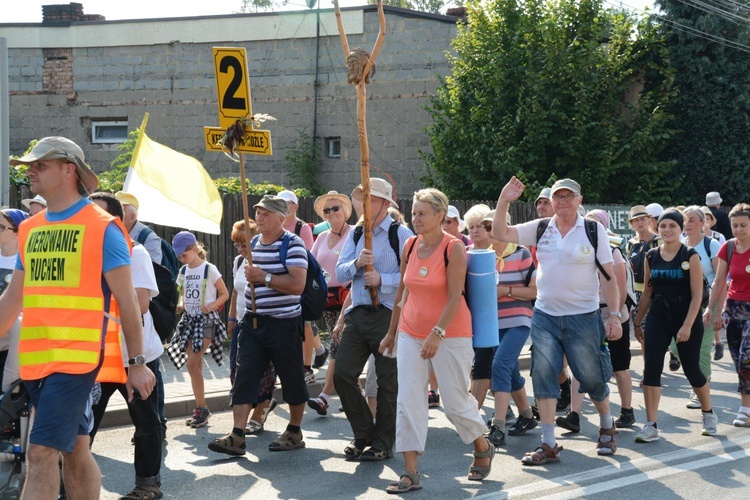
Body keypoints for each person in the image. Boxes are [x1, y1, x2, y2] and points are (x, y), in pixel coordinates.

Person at [0, 136, 155, 499]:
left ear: (69, 170)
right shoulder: (29, 229)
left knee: (39, 454)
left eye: (41, 165)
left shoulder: (102, 227)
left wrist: (137, 363)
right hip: (37, 363)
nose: (32, 171)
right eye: (31, 166)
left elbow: (128, 301)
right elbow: (13, 298)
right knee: (76, 449)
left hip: (76, 364)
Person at [492, 177, 621, 464]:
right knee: (543, 376)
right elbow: (499, 232)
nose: (562, 202)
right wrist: (503, 200)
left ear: (579, 200)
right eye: (557, 197)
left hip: (583, 317)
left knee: (591, 377)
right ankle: (548, 443)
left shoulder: (592, 229)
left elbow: (608, 278)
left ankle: (606, 424)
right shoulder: (541, 228)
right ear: (551, 202)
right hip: (545, 316)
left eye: (568, 196)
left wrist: (614, 315)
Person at [379, 188, 493, 493]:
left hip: (450, 334)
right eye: (414, 213)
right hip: (410, 332)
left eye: (422, 213)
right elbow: (402, 294)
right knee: (408, 400)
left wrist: (437, 333)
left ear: (440, 215)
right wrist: (392, 332)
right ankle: (411, 471)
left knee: (454, 403)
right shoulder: (410, 245)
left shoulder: (453, 248)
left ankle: (482, 444)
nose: (415, 219)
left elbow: (455, 297)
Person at [208, 195, 309, 456]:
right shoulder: (253, 243)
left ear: (280, 218)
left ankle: (295, 430)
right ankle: (237, 435)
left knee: (291, 378)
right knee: (244, 377)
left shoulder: (293, 244)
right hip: (252, 323)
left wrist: (263, 277)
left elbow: (298, 285)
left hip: (284, 324)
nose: (259, 218)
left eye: (265, 214)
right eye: (258, 213)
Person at [87, 192, 164, 500]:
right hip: (97, 356)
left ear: (115, 222)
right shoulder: (84, 252)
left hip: (136, 358)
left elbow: (141, 302)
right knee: (84, 426)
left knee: (146, 423)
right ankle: (70, 485)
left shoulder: (136, 252)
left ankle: (148, 484)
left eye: (97, 216)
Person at [334, 177, 412, 461]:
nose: (364, 204)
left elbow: (411, 277)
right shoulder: (355, 234)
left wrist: (383, 279)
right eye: (362, 198)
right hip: (358, 313)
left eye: (370, 199)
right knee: (342, 373)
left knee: (387, 382)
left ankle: (383, 442)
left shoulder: (400, 234)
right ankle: (363, 432)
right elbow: (339, 273)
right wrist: (356, 264)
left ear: (383, 203)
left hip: (388, 314)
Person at [632, 209, 718, 442]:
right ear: (658, 229)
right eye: (663, 226)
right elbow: (648, 293)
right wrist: (638, 322)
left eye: (672, 226)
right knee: (651, 369)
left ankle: (708, 413)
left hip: (685, 317)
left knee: (692, 370)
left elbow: (697, 295)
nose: (667, 230)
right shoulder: (651, 255)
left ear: (681, 229)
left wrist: (688, 325)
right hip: (659, 317)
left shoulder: (690, 255)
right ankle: (651, 425)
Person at [557, 210, 635, 433]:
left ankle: (627, 411)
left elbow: (618, 288)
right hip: (587, 314)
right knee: (580, 364)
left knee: (620, 366)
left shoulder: (613, 252)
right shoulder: (578, 252)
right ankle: (574, 414)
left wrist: (615, 317)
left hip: (613, 313)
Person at [483, 210, 539, 446]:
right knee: (510, 369)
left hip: (519, 320)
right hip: (491, 324)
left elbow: (535, 292)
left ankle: (498, 426)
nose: (490, 232)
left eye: (493, 227)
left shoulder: (522, 253)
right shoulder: (481, 257)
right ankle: (527, 416)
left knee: (500, 365)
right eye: (486, 227)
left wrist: (505, 291)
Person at [167, 231, 229, 429]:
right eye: (178, 256)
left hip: (207, 321)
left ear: (194, 249)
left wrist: (211, 306)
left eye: (183, 255)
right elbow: (180, 295)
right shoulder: (183, 271)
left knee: (192, 363)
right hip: (189, 321)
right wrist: (179, 305)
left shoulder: (209, 269)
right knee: (196, 366)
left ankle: (202, 408)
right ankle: (200, 408)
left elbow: (225, 293)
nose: (181, 259)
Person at [227, 219, 277, 434]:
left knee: (263, 373)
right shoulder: (239, 262)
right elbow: (236, 290)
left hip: (264, 323)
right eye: (238, 244)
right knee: (236, 372)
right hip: (242, 323)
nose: (241, 249)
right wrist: (231, 318)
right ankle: (254, 409)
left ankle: (259, 412)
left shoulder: (265, 260)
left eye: (245, 244)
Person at [704, 203, 750, 428]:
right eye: (735, 225)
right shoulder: (729, 248)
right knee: (737, 360)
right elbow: (719, 281)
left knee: (746, 358)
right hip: (733, 309)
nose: (739, 230)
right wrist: (711, 309)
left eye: (743, 225)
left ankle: (745, 409)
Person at [307, 191, 353, 416]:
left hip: (351, 300)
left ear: (345, 211)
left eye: (336, 208)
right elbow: (311, 264)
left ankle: (325, 396)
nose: (331, 213)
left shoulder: (355, 234)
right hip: (328, 301)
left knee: (337, 345)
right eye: (327, 210)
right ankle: (358, 396)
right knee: (341, 347)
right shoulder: (323, 237)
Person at [673, 206, 721, 409]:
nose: (687, 224)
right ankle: (698, 380)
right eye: (685, 220)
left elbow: (720, 279)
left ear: (703, 223)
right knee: (675, 345)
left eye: (692, 219)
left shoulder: (712, 244)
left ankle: (699, 390)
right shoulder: (680, 244)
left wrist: (716, 310)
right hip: (686, 301)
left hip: (708, 301)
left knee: (702, 347)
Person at [277, 190, 325, 382]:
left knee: (305, 323)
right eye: (280, 202)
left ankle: (307, 368)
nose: (283, 206)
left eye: (287, 203)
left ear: (295, 206)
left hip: (300, 280)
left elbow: (308, 257)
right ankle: (320, 351)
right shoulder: (276, 224)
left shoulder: (301, 228)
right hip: (280, 281)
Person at [0, 209, 30, 390]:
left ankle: (8, 388)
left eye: (0, 227)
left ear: (17, 232)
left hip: (15, 324)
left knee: (17, 324)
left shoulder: (26, 261)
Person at [701, 206, 726, 360]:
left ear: (711, 220)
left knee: (710, 318)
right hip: (696, 288)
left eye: (707, 218)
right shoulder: (686, 238)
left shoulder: (717, 238)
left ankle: (718, 343)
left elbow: (723, 262)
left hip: (712, 285)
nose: (705, 221)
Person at [115, 192, 162, 265]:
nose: (111, 216)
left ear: (132, 217)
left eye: (117, 212)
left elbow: (151, 272)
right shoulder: (110, 233)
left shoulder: (150, 239)